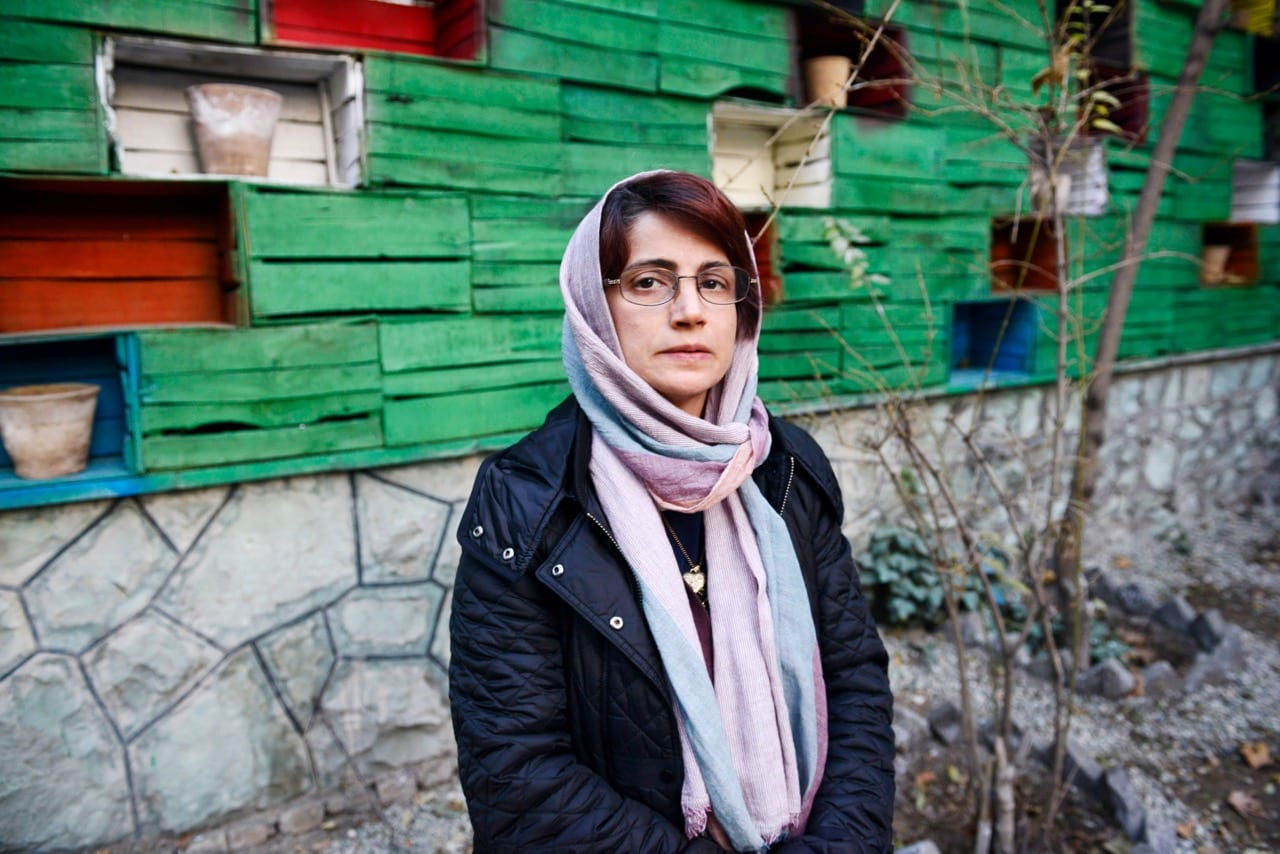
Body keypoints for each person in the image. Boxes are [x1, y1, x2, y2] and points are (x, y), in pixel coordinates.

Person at [449, 170, 894, 852]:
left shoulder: (786, 469)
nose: (689, 311)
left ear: (741, 311)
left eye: (714, 282)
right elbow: (517, 771)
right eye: (650, 282)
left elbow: (855, 679)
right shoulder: (527, 502)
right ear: (594, 308)